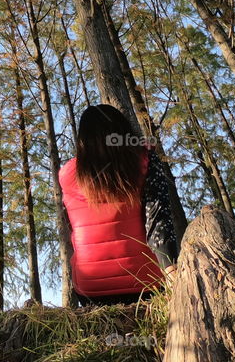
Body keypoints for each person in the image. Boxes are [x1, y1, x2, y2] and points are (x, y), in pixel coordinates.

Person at [58, 104, 179, 305]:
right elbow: (158, 222)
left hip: (90, 290)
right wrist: (172, 274)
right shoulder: (144, 160)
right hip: (146, 284)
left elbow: (73, 230)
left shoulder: (68, 174)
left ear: (83, 140)